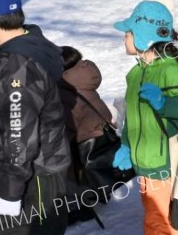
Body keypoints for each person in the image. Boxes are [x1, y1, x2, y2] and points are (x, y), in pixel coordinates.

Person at [0, 0, 71, 234]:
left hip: (29, 179)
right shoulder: (30, 43)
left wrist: (9, 193)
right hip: (36, 172)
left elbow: (19, 134)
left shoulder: (16, 66)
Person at [112, 0, 178, 235]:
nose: (125, 37)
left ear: (144, 36)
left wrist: (164, 103)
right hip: (145, 158)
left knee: (159, 221)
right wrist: (125, 144)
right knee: (164, 215)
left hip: (163, 159)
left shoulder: (169, 68)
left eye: (129, 33)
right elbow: (132, 116)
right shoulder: (135, 73)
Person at [58, 45, 114, 224]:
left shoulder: (67, 90)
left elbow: (68, 127)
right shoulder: (83, 76)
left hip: (85, 138)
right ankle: (101, 191)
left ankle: (80, 209)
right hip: (100, 132)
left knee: (66, 167)